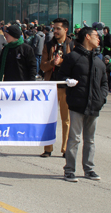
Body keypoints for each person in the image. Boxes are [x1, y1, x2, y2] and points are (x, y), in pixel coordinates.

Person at [58, 27, 108, 182]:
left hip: (94, 105)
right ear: (87, 37)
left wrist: (102, 98)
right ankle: (69, 170)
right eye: (95, 36)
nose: (98, 39)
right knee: (74, 138)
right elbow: (61, 77)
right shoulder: (73, 57)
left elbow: (104, 83)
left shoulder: (98, 61)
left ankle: (89, 168)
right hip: (77, 104)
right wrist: (68, 82)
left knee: (90, 139)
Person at [39, 18, 74, 158]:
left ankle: (65, 149)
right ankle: (47, 148)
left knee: (66, 120)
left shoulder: (72, 44)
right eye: (54, 28)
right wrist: (52, 63)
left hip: (66, 86)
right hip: (51, 86)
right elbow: (42, 66)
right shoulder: (48, 45)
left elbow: (75, 64)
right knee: (48, 118)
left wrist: (62, 62)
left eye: (58, 28)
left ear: (65, 29)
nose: (55, 31)